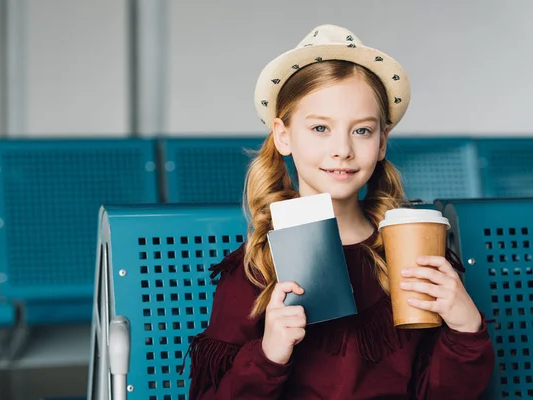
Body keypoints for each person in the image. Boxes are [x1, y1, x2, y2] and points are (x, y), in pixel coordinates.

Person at [186, 24, 495, 399]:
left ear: (382, 141)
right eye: (320, 128)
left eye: (362, 131)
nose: (342, 149)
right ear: (283, 135)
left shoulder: (413, 255)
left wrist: (465, 327)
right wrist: (268, 356)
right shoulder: (256, 270)